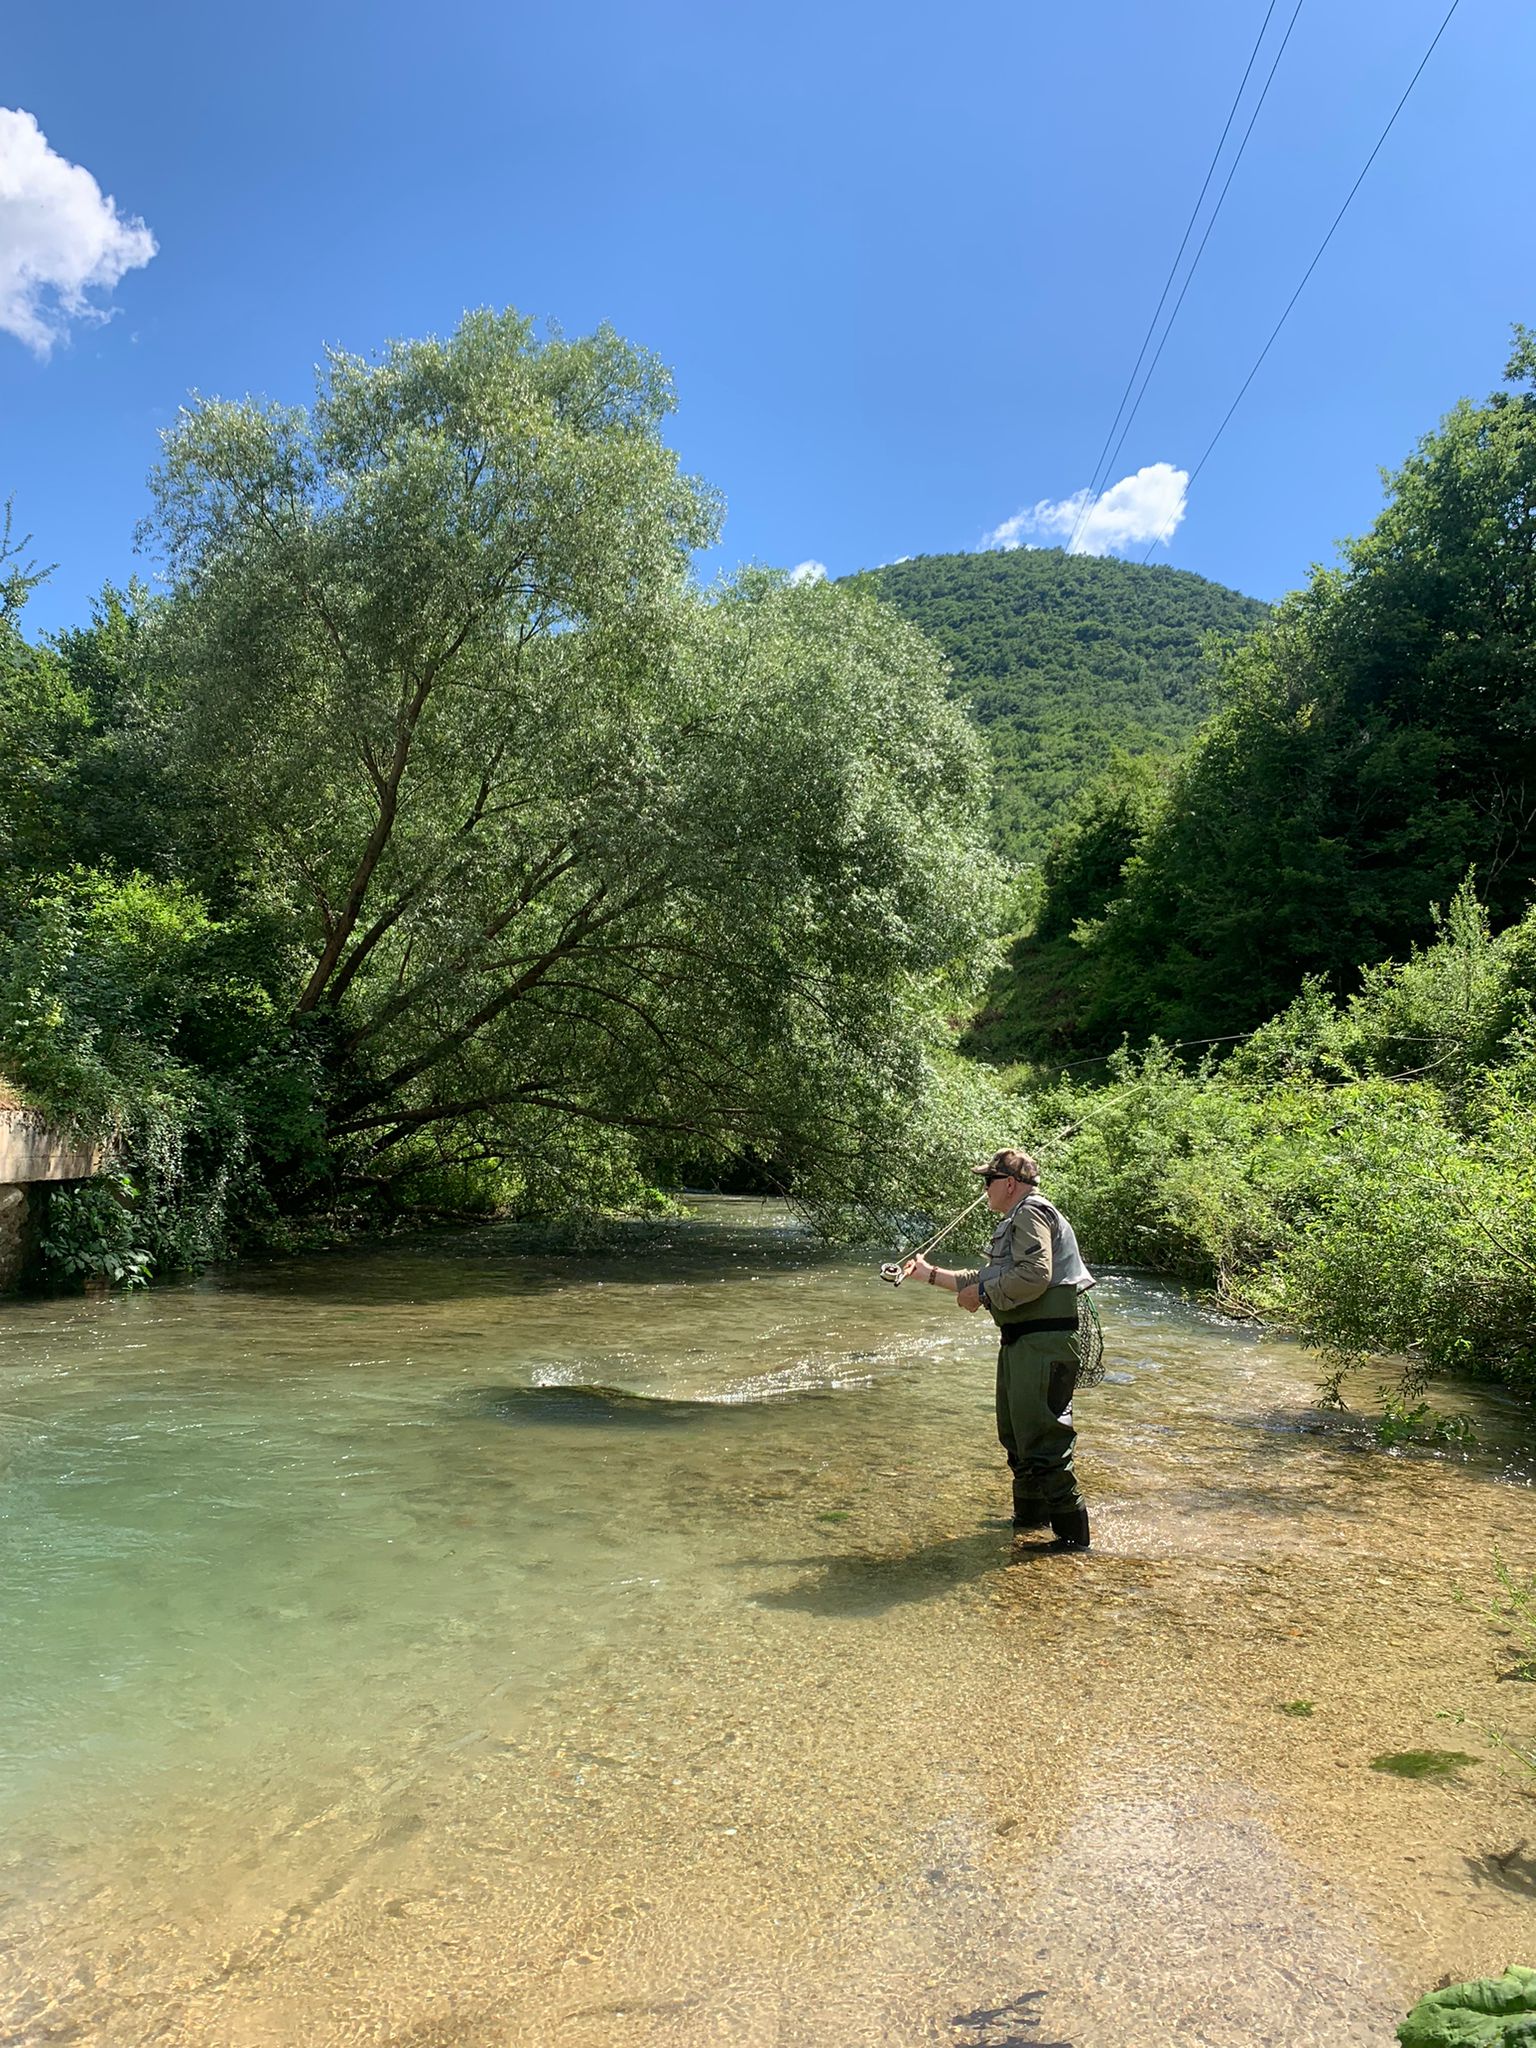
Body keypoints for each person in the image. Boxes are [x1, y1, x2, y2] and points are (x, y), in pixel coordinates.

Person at [904, 1148, 1093, 1552]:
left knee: (1044, 1441)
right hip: (1023, 1343)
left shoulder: (1029, 1213)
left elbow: (1035, 1276)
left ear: (1009, 1184)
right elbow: (987, 1275)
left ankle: (1073, 1541)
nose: (984, 1188)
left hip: (1043, 1344)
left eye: (988, 1180)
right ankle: (1028, 1522)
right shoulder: (1017, 1218)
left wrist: (984, 1295)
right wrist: (929, 1275)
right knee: (1018, 1439)